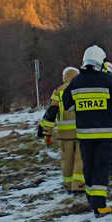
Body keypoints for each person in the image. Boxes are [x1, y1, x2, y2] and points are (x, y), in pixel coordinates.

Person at [62, 45, 112, 218]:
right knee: (102, 167)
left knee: (88, 166)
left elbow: (66, 103)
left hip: (84, 133)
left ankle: (91, 198)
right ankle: (99, 205)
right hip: (104, 132)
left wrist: (82, 110)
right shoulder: (107, 80)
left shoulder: (76, 81)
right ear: (101, 61)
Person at [37, 66, 84, 195]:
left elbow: (51, 112)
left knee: (67, 161)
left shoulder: (58, 91)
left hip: (64, 134)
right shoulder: (81, 88)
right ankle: (79, 185)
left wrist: (47, 132)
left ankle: (68, 185)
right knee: (80, 159)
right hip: (81, 132)